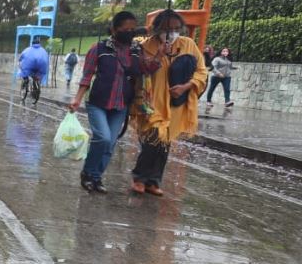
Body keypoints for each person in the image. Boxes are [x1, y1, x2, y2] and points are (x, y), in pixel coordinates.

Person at [129, 10, 208, 196]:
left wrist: (186, 86)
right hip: (152, 102)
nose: (171, 32)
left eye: (175, 28)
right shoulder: (146, 46)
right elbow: (141, 70)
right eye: (166, 29)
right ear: (157, 29)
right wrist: (159, 55)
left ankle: (153, 181)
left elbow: (201, 71)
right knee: (154, 138)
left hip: (177, 103)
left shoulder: (188, 45)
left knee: (165, 143)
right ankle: (139, 178)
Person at [67, 12, 145, 193]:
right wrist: (77, 99)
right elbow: (87, 76)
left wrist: (159, 55)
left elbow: (144, 70)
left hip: (121, 105)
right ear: (114, 29)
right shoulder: (99, 49)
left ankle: (96, 177)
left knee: (110, 144)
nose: (130, 32)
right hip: (98, 102)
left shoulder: (135, 51)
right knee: (103, 137)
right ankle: (87, 173)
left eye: (133, 29)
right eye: (126, 29)